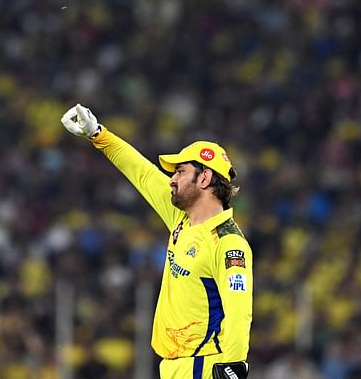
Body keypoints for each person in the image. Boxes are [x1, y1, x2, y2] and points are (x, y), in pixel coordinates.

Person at [61, 104, 253, 379]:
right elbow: (141, 171)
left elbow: (239, 311)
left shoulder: (228, 243)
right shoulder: (181, 218)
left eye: (180, 172)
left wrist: (234, 366)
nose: (172, 179)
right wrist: (98, 134)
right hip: (174, 365)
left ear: (205, 177)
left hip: (204, 365)